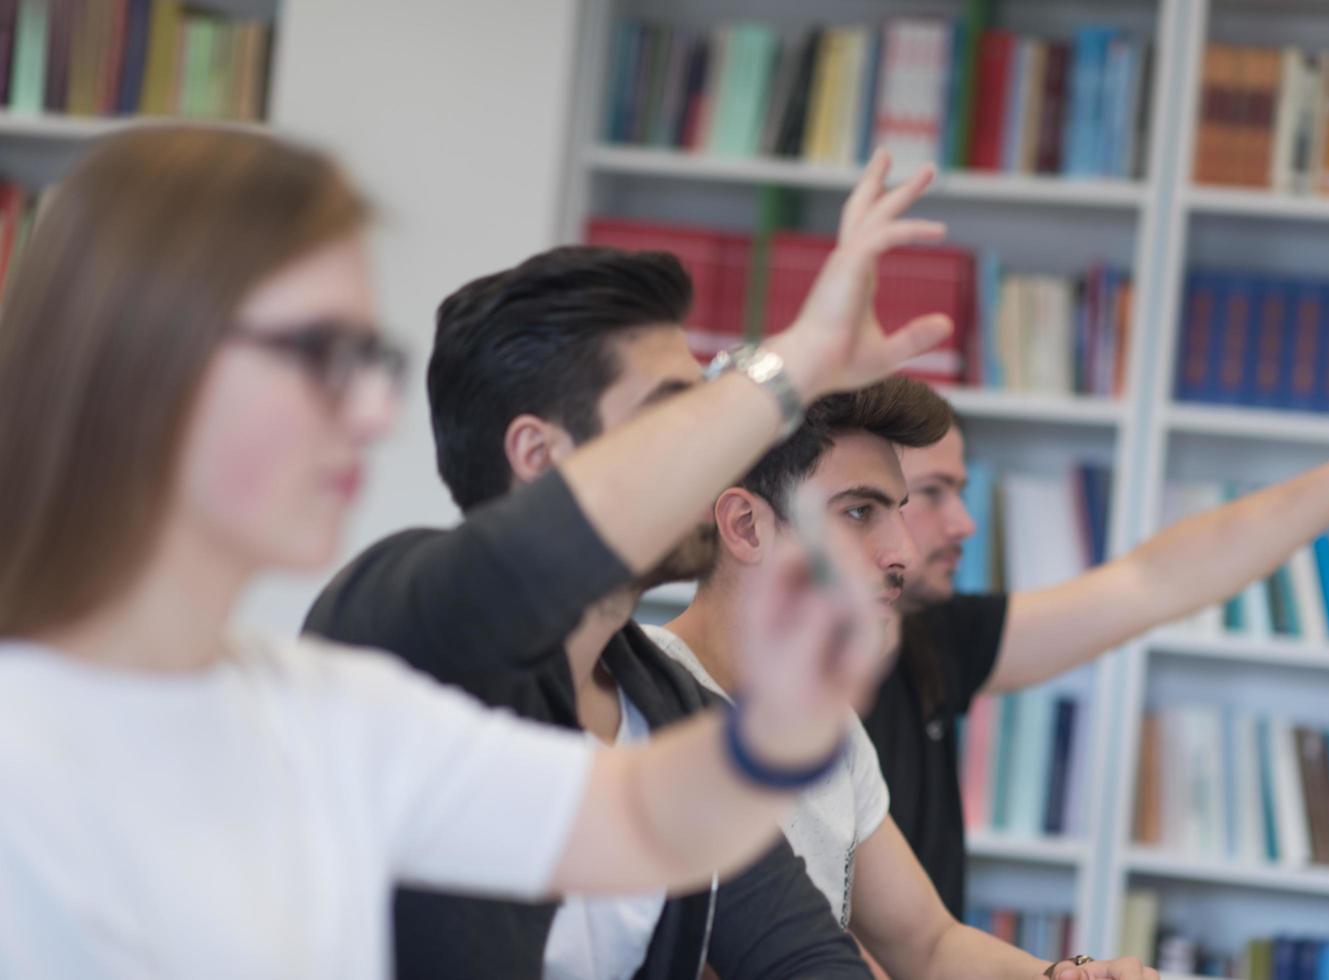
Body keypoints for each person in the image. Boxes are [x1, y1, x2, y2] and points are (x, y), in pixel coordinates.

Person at [0, 126, 938, 979]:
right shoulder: (44, 721)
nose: (371, 414)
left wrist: (788, 718)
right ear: (152, 361)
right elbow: (526, 563)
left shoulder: (318, 707)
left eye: (373, 364)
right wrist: (795, 364)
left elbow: (641, 820)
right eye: (318, 352)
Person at [304, 152, 952, 978]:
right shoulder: (402, 620)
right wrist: (801, 360)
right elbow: (525, 557)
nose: (727, 447)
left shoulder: (672, 710)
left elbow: (805, 960)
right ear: (539, 455)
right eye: (673, 417)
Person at [869, 341, 1329, 918]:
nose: (965, 524)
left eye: (962, 492)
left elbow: (1157, 579)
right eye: (933, 494)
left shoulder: (937, 637)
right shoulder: (796, 694)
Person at [647, 377, 1153, 980]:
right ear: (746, 526)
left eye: (898, 512)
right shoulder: (630, 701)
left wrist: (1060, 976)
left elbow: (928, 943)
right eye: (859, 512)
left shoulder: (830, 728)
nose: (902, 554)